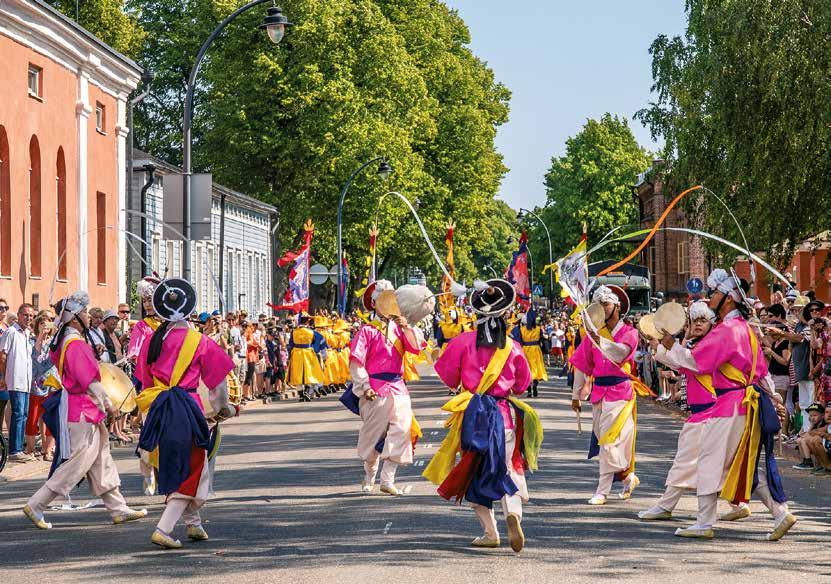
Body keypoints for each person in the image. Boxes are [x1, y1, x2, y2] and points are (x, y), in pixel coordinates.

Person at [656, 269, 796, 541]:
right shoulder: (744, 329)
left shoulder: (727, 330)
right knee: (743, 464)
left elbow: (696, 363)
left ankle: (704, 522)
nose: (710, 298)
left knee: (709, 461)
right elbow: (758, 371)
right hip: (747, 403)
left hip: (730, 405)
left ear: (729, 300)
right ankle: (781, 513)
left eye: (716, 294)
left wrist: (672, 344)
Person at [424, 279, 540, 553]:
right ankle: (513, 513)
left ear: (475, 312)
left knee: (473, 471)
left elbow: (449, 379)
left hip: (474, 418)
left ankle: (490, 531)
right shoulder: (512, 347)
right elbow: (523, 385)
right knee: (509, 467)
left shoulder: (462, 342)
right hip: (505, 417)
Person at [22, 291, 147, 529]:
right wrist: (108, 405)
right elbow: (89, 380)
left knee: (101, 460)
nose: (88, 317)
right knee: (78, 462)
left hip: (82, 408)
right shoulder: (75, 343)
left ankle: (118, 508)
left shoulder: (66, 340)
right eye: (84, 313)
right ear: (75, 317)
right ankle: (37, 504)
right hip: (82, 409)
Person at [134, 278, 235, 549]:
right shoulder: (198, 341)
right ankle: (164, 528)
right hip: (188, 408)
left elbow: (143, 381)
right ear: (189, 308)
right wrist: (221, 409)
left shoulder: (152, 341)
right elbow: (218, 386)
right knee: (193, 468)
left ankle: (193, 523)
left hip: (159, 408)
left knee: (173, 462)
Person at [638, 301, 722, 521]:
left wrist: (669, 344)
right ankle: (768, 508)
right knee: (726, 467)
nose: (697, 324)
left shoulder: (711, 345)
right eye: (694, 320)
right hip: (707, 414)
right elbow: (682, 364)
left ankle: (667, 506)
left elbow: (692, 364)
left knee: (686, 461)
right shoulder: (698, 345)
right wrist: (661, 345)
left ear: (712, 323)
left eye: (703, 320)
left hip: (708, 414)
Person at [348, 280, 425, 496]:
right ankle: (369, 474)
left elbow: (416, 348)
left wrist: (405, 325)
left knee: (402, 430)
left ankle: (387, 479)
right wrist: (364, 386)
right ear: (374, 304)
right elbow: (356, 361)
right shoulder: (367, 331)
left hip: (398, 386)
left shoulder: (400, 328)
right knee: (374, 435)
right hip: (374, 387)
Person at [570, 285, 643, 505]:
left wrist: (597, 338)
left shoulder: (630, 333)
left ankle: (602, 490)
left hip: (621, 394)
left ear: (617, 307)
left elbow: (619, 353)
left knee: (608, 443)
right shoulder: (591, 335)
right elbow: (581, 365)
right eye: (598, 305)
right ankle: (628, 476)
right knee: (607, 442)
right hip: (599, 393)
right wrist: (576, 395)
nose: (601, 309)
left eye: (605, 304)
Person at [776, 299, 824, 433]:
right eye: (811, 310)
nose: (796, 312)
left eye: (799, 309)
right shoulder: (801, 326)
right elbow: (793, 344)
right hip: (802, 370)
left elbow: (802, 340)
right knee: (803, 404)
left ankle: (811, 432)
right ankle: (804, 430)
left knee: (812, 403)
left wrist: (782, 333)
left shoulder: (815, 326)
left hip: (814, 372)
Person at [0, 303, 35, 462]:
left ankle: (18, 448)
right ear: (19, 315)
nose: (29, 318)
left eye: (31, 316)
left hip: (26, 382)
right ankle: (15, 450)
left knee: (23, 414)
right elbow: (2, 355)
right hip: (14, 380)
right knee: (18, 414)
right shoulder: (11, 332)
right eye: (26, 315)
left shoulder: (27, 333)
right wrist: (3, 377)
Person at [25, 315, 59, 460]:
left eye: (47, 324)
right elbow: (35, 357)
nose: (44, 327)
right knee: (32, 419)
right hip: (36, 385)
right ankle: (30, 449)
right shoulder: (32, 341)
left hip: (52, 384)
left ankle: (48, 450)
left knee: (52, 419)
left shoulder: (54, 342)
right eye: (41, 324)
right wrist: (40, 336)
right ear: (37, 325)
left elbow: (52, 360)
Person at [287, 313, 327, 402]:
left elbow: (291, 344)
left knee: (297, 374)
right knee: (309, 373)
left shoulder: (294, 331)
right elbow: (314, 342)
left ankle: (301, 395)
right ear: (307, 321)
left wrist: (289, 356)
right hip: (308, 352)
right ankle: (306, 391)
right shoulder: (311, 332)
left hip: (297, 353)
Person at [511, 308, 548, 397]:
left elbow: (519, 341)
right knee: (536, 369)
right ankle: (535, 385)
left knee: (527, 370)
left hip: (526, 350)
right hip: (536, 350)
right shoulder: (538, 329)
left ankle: (529, 390)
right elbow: (542, 339)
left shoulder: (522, 329)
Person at [792, 403, 828, 471]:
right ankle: (805, 460)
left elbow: (810, 434)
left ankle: (808, 462)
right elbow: (808, 433)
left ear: (822, 415)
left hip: (821, 443)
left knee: (803, 440)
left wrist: (809, 431)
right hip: (814, 443)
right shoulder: (815, 423)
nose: (812, 418)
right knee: (799, 440)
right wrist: (811, 425)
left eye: (815, 415)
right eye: (810, 415)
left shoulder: (824, 423)